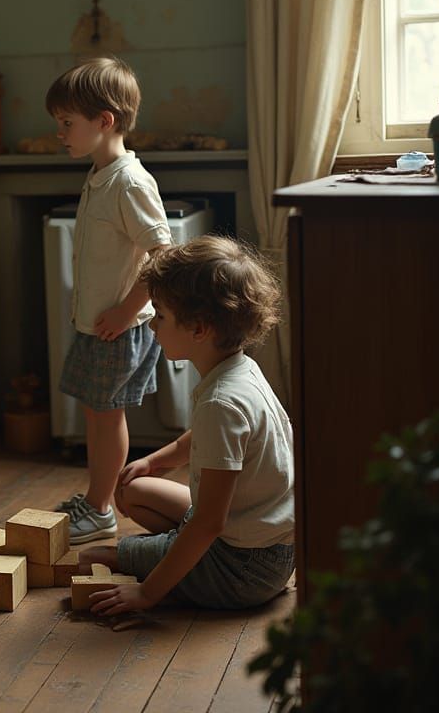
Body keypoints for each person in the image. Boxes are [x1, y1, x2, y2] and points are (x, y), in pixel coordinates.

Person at [77, 236, 295, 614]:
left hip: (242, 569)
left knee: (93, 558)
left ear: (199, 329)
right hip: (272, 550)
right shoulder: (240, 369)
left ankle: (179, 563)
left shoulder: (221, 402)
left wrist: (146, 595)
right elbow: (207, 441)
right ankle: (180, 553)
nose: (152, 326)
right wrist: (155, 462)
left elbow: (209, 522)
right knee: (132, 491)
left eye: (160, 315)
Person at [45, 57, 172, 544]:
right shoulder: (100, 173)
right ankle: (94, 498)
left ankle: (100, 509)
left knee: (107, 415)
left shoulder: (130, 181)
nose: (60, 133)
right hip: (98, 324)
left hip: (121, 325)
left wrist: (125, 310)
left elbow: (162, 254)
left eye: (66, 123)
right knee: (95, 415)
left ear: (104, 121)